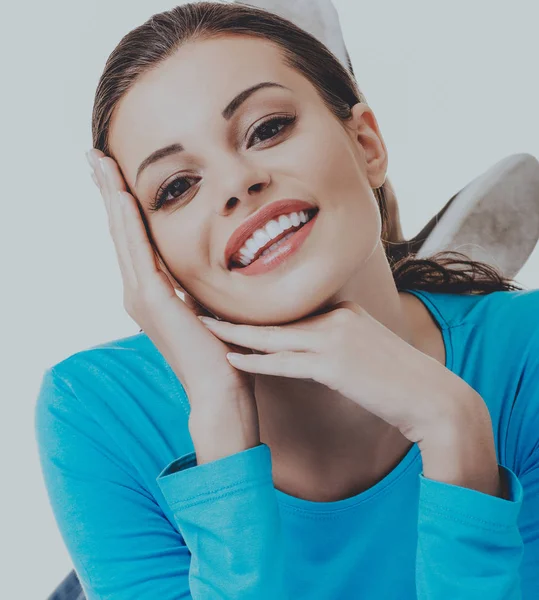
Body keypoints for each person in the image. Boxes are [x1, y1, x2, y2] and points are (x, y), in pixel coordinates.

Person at [35, 2, 539, 599]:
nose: (236, 183)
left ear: (368, 142)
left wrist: (457, 433)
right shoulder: (97, 408)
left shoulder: (526, 356)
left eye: (267, 128)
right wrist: (219, 425)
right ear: (150, 253)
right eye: (176, 187)